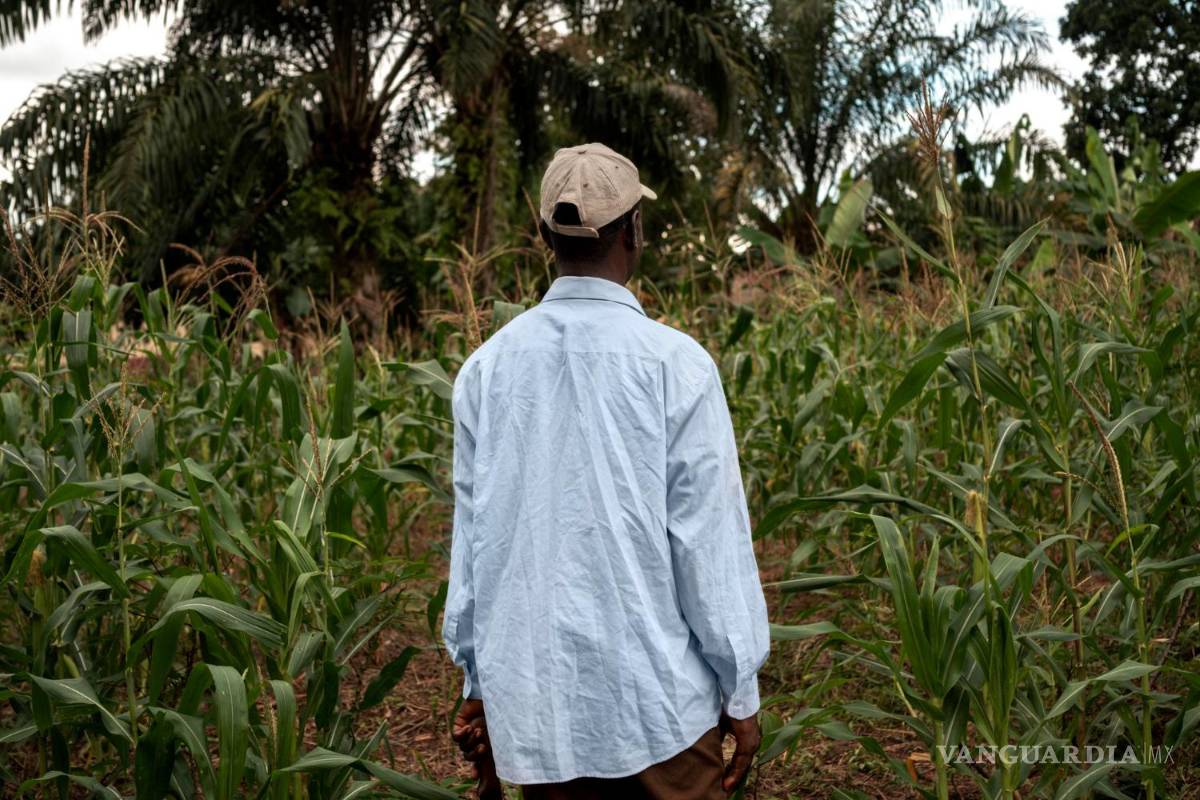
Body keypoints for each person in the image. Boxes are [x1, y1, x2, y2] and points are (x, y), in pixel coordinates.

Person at [443, 143, 770, 800]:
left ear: (544, 237)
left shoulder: (485, 372)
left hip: (539, 722)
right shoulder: (677, 367)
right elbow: (707, 550)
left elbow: (476, 552)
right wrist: (741, 691)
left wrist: (479, 685)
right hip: (662, 717)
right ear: (633, 231)